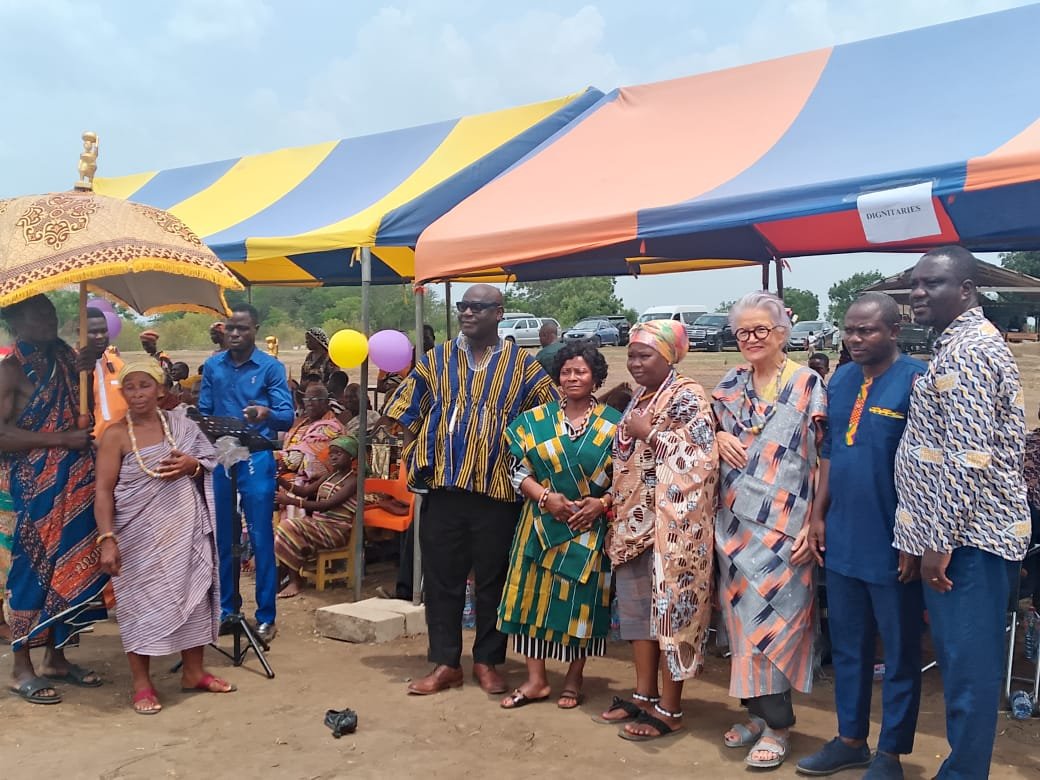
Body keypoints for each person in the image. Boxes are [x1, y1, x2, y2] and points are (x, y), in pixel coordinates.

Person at [893, 247, 1030, 779]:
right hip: (961, 538)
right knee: (960, 666)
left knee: (969, 673)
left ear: (967, 290)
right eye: (915, 284)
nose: (918, 293)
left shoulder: (970, 352)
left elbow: (969, 457)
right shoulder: (956, 345)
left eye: (933, 283)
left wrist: (939, 541)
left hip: (970, 542)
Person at [383, 283, 556, 696]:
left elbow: (548, 418)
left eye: (478, 307)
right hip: (443, 490)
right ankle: (446, 663)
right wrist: (416, 453)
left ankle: (487, 661)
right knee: (441, 579)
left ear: (499, 313)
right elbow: (403, 410)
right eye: (463, 306)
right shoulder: (437, 359)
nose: (467, 313)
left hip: (498, 494)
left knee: (493, 581)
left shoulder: (522, 365)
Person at [796, 293, 926, 779]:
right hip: (844, 536)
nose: (854, 339)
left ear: (894, 331)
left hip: (893, 540)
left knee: (899, 650)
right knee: (850, 646)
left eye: (866, 330)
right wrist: (819, 515)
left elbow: (928, 469)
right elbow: (830, 450)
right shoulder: (843, 378)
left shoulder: (917, 380)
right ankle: (850, 739)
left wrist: (915, 536)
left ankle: (890, 753)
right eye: (849, 330)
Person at [712, 291, 826, 769]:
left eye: (761, 329)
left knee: (779, 624)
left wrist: (814, 522)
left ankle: (779, 726)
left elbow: (822, 458)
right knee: (741, 625)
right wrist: (718, 435)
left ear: (782, 333)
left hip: (786, 530)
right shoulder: (730, 383)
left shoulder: (806, 383)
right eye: (743, 332)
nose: (751, 339)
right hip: (734, 528)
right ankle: (757, 715)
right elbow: (702, 430)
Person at [595, 319, 718, 742]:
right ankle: (643, 695)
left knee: (670, 617)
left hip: (672, 533)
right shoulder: (641, 396)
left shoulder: (688, 396)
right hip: (632, 530)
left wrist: (649, 433)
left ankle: (670, 707)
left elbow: (701, 459)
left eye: (644, 355)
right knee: (637, 618)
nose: (635, 363)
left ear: (668, 356)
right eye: (631, 355)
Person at [94, 360, 233, 714]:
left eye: (145, 385)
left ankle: (194, 672)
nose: (137, 393)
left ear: (160, 390)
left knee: (194, 593)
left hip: (184, 529)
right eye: (130, 387)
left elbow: (207, 461)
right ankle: (142, 683)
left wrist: (192, 465)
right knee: (137, 603)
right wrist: (107, 539)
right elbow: (104, 491)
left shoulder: (181, 425)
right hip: (137, 536)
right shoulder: (115, 434)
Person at [497, 343, 621, 711]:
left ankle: (573, 678)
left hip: (588, 526)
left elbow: (629, 477)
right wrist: (545, 497)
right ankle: (536, 680)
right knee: (531, 598)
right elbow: (516, 470)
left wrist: (603, 503)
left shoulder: (616, 425)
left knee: (581, 604)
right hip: (540, 524)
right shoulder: (534, 421)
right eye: (566, 372)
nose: (572, 378)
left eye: (580, 371)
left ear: (596, 377)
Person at [0, 295, 107, 704]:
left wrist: (86, 373)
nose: (48, 321)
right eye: (37, 315)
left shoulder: (67, 362)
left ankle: (56, 659)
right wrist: (61, 439)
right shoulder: (9, 372)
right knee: (30, 572)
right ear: (14, 321)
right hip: (30, 489)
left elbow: (82, 417)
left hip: (73, 483)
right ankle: (21, 667)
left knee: (67, 568)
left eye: (51, 314)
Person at [198, 303, 294, 644]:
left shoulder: (270, 367)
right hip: (224, 455)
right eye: (230, 328)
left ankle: (266, 616)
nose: (235, 334)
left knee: (259, 535)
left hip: (256, 455)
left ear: (255, 330)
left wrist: (265, 413)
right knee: (224, 535)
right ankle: (227, 610)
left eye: (243, 328)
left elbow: (287, 415)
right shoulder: (213, 366)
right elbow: (204, 411)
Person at [273, 435, 386, 598]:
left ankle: (294, 580)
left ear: (351, 457)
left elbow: (327, 505)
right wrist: (281, 481)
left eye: (338, 453)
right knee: (285, 528)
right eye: (331, 453)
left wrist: (291, 501)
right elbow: (304, 491)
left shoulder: (353, 481)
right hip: (319, 526)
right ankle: (291, 576)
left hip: (336, 531)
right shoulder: (330, 476)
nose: (333, 457)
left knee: (288, 526)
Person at [275, 384, 344, 526]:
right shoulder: (302, 422)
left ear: (326, 402)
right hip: (285, 471)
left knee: (273, 485)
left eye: (315, 399)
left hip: (312, 478)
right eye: (307, 399)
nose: (310, 403)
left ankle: (291, 529)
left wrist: (277, 460)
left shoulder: (331, 427)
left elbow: (303, 459)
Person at [84, 306, 127, 440]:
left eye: (104, 331)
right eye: (93, 332)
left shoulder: (118, 363)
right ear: (80, 333)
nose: (100, 337)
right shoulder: (71, 366)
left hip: (123, 441)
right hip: (88, 444)